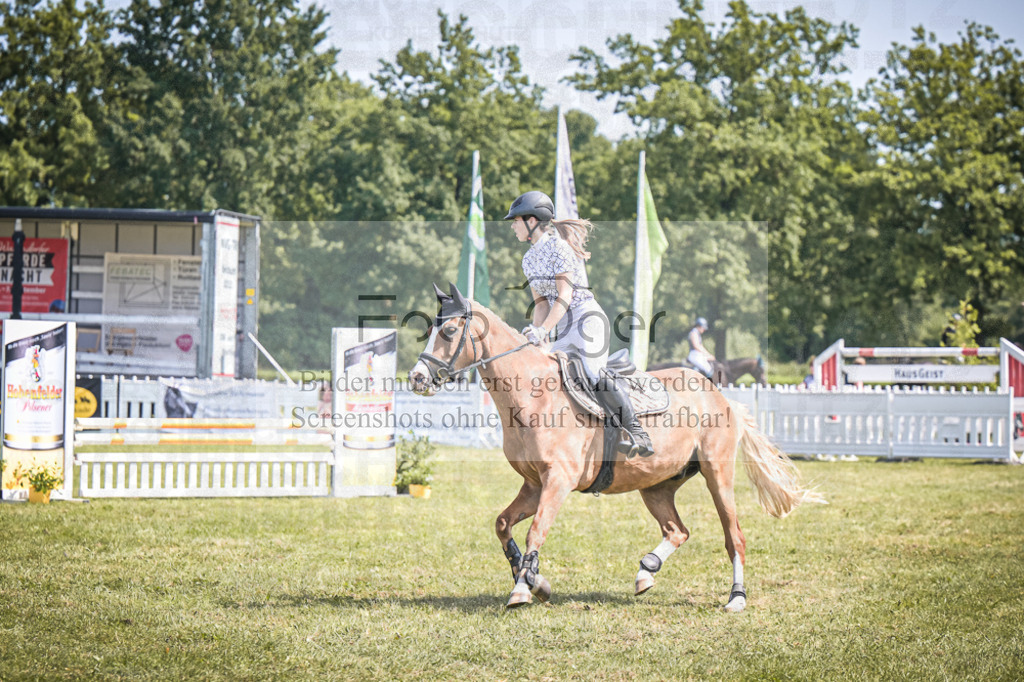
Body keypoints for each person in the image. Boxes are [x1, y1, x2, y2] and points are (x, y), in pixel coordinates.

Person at [505, 190, 653, 458]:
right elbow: (541, 304)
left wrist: (544, 330)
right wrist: (536, 337)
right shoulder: (528, 259)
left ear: (531, 221)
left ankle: (637, 432)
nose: (512, 226)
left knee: (593, 372)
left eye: (515, 220)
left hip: (587, 320)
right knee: (548, 374)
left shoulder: (559, 248)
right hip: (562, 325)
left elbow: (564, 295)